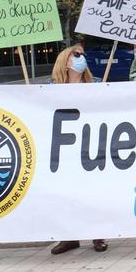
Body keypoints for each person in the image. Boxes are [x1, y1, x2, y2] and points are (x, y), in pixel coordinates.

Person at [48, 44, 108, 254]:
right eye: (77, 54)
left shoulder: (97, 84)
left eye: (83, 54)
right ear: (65, 61)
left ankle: (97, 235)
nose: (82, 57)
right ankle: (69, 237)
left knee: (92, 192)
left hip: (90, 146)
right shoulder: (50, 88)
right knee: (65, 194)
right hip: (63, 149)